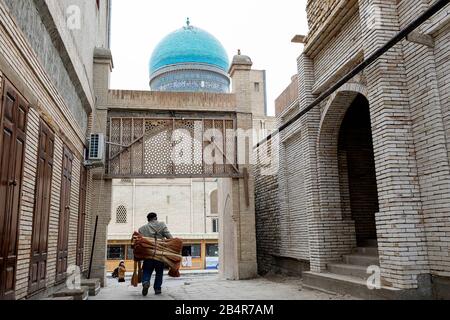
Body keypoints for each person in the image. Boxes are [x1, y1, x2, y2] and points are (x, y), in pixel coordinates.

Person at [138, 212, 173, 296]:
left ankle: (146, 282)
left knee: (146, 270)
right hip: (159, 255)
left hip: (148, 255)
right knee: (159, 272)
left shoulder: (142, 229)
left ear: (148, 219)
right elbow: (170, 237)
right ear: (156, 218)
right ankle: (157, 289)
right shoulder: (161, 224)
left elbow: (139, 242)